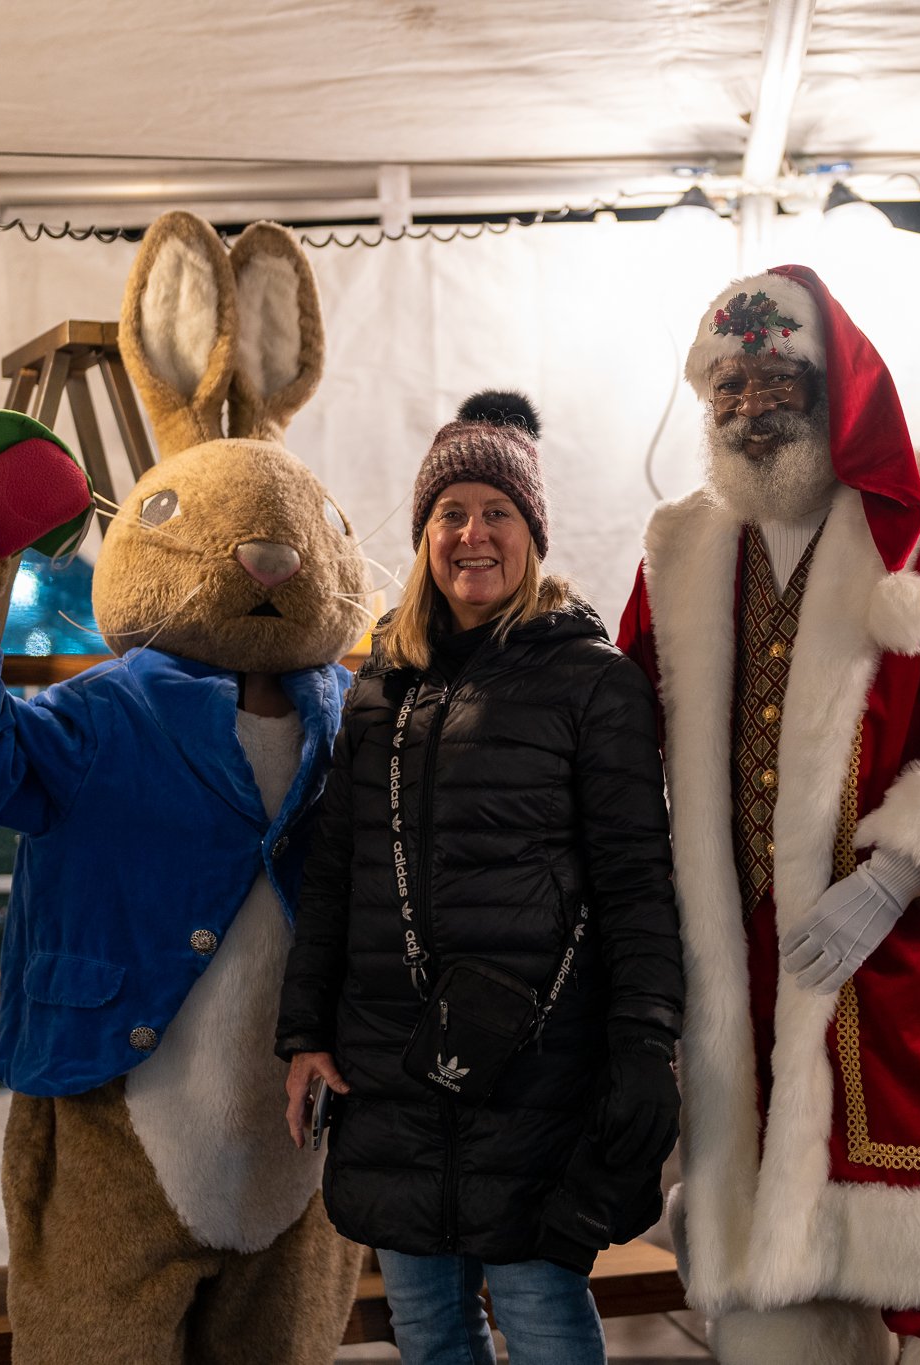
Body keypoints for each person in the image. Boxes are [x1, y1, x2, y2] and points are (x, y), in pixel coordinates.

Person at [617, 269, 920, 1363]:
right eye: (724, 385)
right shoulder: (681, 548)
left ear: (832, 388)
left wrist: (892, 879)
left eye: (772, 377)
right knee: (784, 1291)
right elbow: (619, 725)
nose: (746, 405)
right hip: (743, 969)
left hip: (908, 961)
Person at [276, 392, 684, 1365]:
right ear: (424, 536)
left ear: (531, 533)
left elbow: (636, 884)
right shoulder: (379, 687)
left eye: (496, 512)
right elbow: (334, 875)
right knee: (425, 1328)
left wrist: (643, 1046)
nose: (472, 534)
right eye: (450, 513)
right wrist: (302, 1035)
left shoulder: (594, 681)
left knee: (541, 1321)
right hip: (394, 1066)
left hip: (540, 1072)